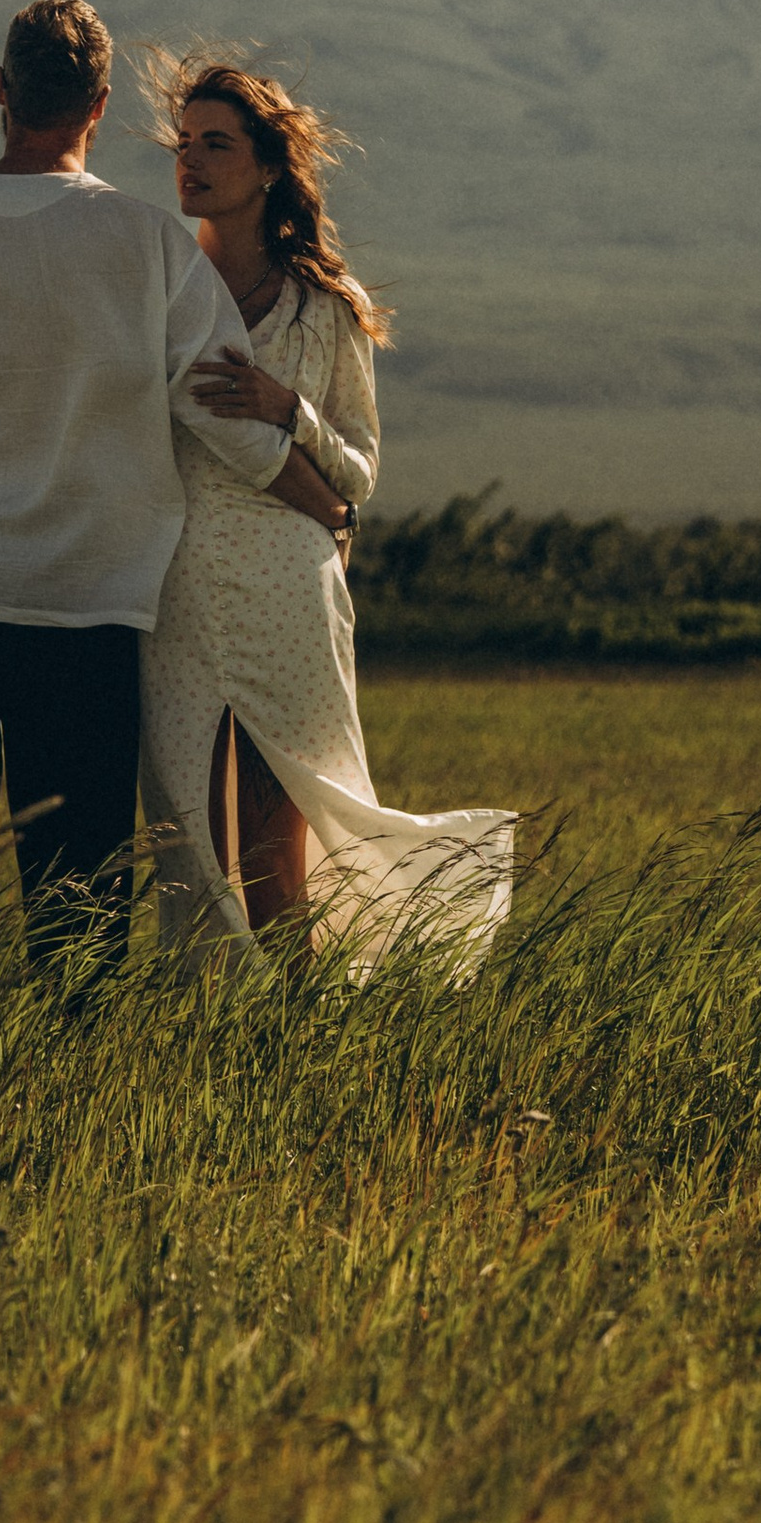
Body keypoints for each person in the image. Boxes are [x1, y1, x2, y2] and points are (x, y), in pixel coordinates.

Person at [0, 0, 356, 973]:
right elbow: (221, 412)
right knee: (78, 875)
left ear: (0, 91)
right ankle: (66, 1057)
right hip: (85, 607)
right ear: (101, 103)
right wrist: (321, 501)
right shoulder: (148, 242)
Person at [138, 50, 515, 974]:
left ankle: (299, 1008)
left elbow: (358, 474)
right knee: (186, 825)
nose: (191, 161)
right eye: (183, 143)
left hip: (287, 595)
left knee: (283, 817)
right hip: (177, 589)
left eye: (216, 144)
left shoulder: (325, 311)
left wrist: (289, 409)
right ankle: (201, 1022)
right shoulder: (155, 291)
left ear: (268, 167)